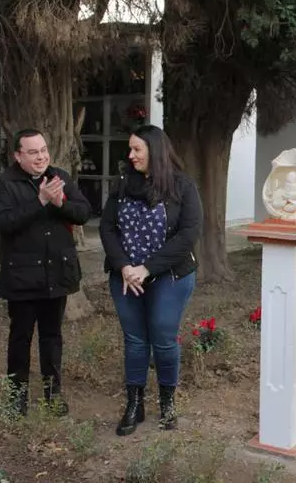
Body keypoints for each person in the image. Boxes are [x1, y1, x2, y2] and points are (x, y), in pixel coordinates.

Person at [99, 124, 202, 436]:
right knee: (135, 339)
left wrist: (147, 268)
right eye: (130, 149)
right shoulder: (121, 186)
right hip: (125, 276)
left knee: (162, 336)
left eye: (136, 150)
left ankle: (167, 401)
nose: (130, 156)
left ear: (155, 151)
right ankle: (135, 404)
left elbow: (188, 234)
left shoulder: (182, 186)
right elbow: (107, 228)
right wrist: (125, 267)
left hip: (169, 275)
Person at [0, 128, 91, 416]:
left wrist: (61, 202)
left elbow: (84, 211)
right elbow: (6, 222)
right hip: (22, 277)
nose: (41, 156)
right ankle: (16, 401)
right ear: (18, 155)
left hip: (56, 274)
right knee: (20, 339)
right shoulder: (3, 184)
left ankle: (53, 397)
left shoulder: (59, 177)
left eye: (44, 150)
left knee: (52, 337)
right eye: (33, 152)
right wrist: (40, 201)